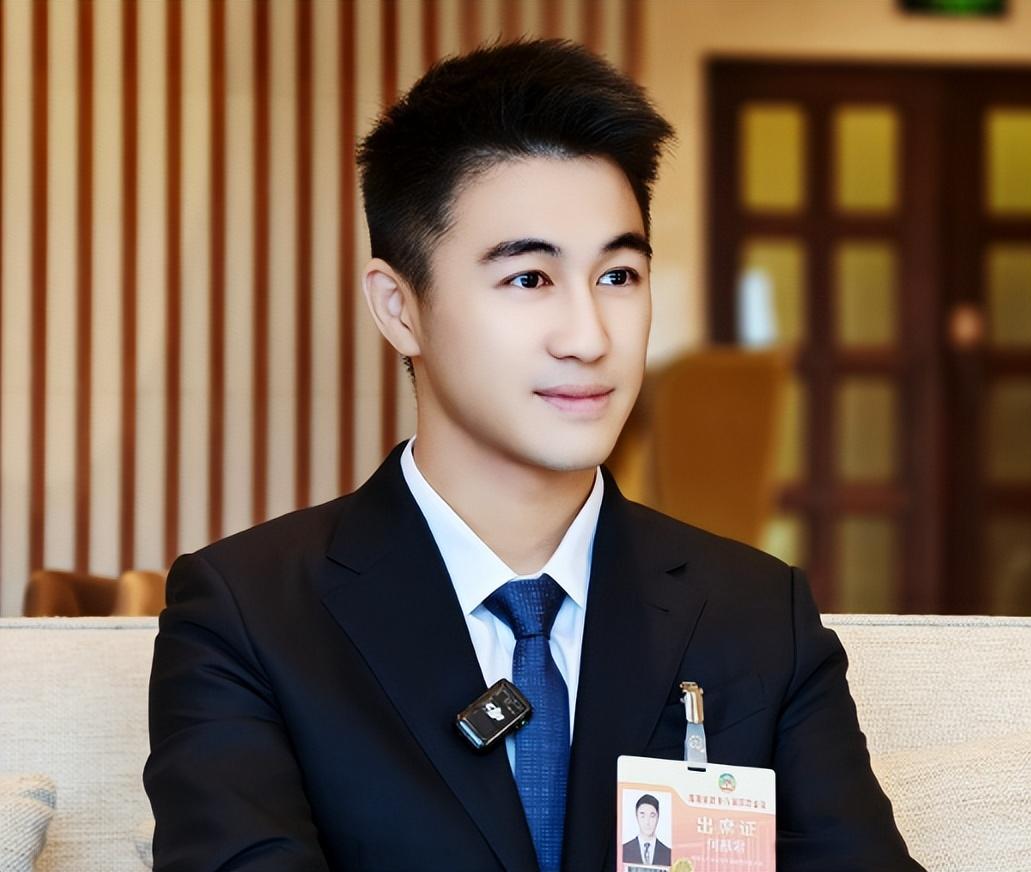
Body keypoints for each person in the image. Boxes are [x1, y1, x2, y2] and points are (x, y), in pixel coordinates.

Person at [144, 39, 923, 872]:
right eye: (529, 279)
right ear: (399, 307)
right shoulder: (250, 617)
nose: (589, 337)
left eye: (618, 276)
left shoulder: (759, 616)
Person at [622, 794, 671, 867]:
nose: (647, 822)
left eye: (652, 816)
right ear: (636, 816)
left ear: (658, 817)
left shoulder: (668, 853)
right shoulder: (624, 850)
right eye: (643, 816)